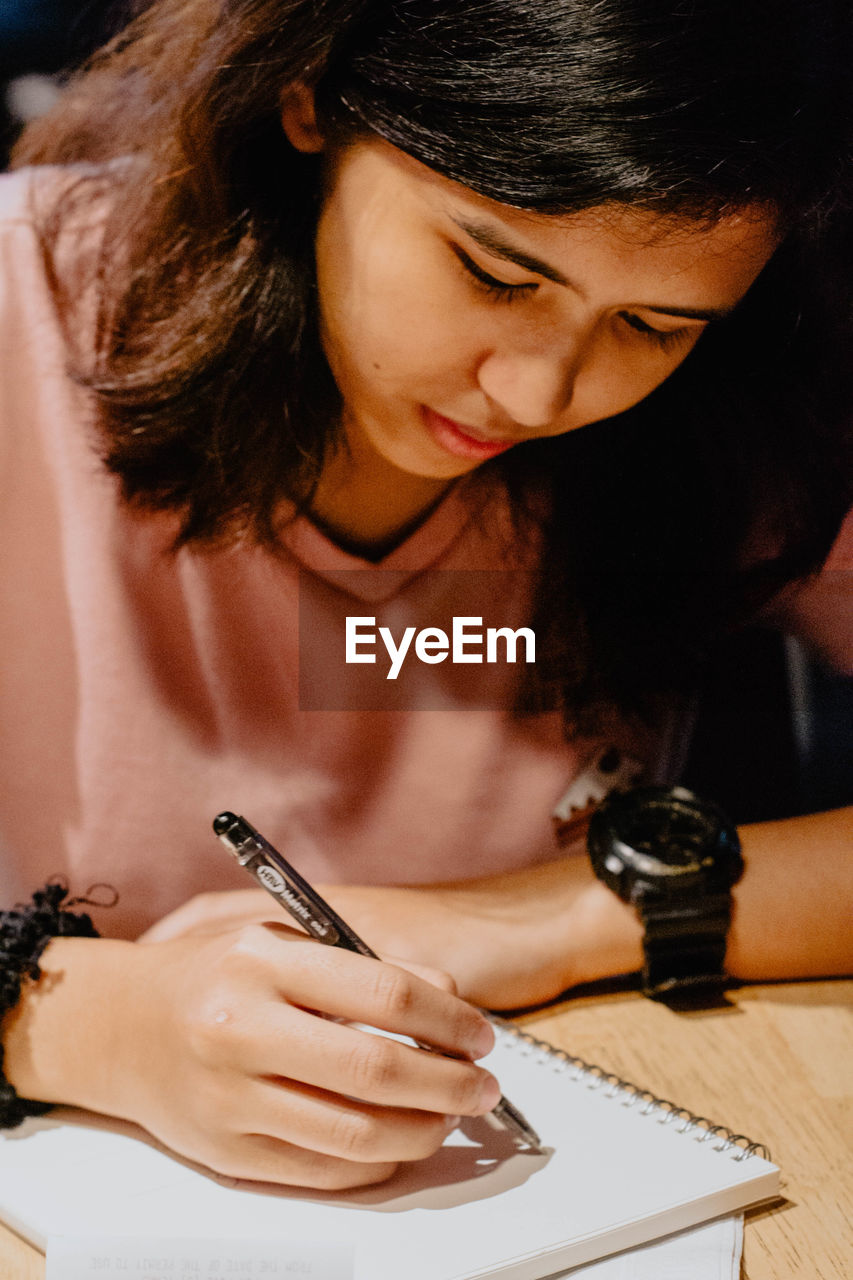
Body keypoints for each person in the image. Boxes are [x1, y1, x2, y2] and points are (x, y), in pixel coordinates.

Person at [0, 0, 851, 1192]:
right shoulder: (24, 309)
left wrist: (552, 915)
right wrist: (84, 1018)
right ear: (310, 97)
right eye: (494, 272)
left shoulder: (730, 412)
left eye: (654, 325)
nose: (542, 389)